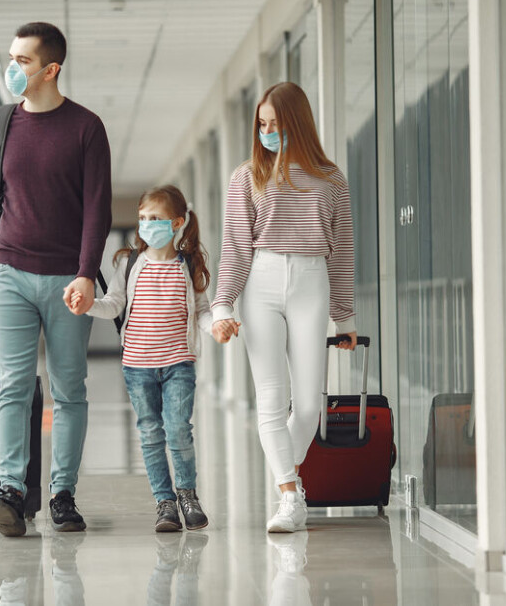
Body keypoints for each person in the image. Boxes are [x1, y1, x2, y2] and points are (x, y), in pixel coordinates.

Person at [0, 22, 112, 537]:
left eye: (23, 60)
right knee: (13, 386)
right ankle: (10, 490)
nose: (13, 68)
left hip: (66, 281)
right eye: (12, 57)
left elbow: (96, 210)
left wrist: (85, 275)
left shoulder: (86, 128)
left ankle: (61, 493)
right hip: (7, 271)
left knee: (68, 389)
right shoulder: (1, 123)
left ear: (51, 69)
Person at [211, 82, 357, 533]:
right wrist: (221, 306)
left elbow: (343, 251)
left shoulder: (331, 179)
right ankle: (291, 497)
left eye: (275, 123)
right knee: (271, 400)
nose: (267, 131)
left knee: (310, 406)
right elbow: (235, 246)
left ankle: (282, 471)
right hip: (262, 281)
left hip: (312, 281)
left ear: (297, 122)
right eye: (262, 124)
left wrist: (345, 314)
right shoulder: (246, 176)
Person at [67, 185, 213, 532]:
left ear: (177, 223)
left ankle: (187, 495)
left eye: (156, 218)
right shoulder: (129, 262)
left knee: (178, 431)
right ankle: (165, 503)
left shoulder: (188, 264)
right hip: (137, 365)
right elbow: (114, 303)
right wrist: (89, 306)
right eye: (143, 218)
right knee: (150, 433)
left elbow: (203, 312)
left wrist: (218, 325)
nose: (147, 224)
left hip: (179, 362)